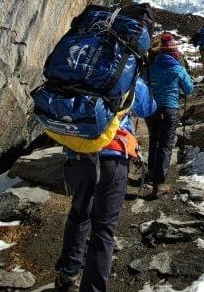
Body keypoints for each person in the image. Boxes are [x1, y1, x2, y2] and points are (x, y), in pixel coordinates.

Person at [55, 79, 155, 292]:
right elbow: (147, 107)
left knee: (79, 213)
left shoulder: (80, 68)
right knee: (103, 229)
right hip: (113, 155)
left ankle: (68, 274)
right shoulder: (126, 72)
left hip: (78, 154)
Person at [147, 35, 193, 198]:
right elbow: (189, 89)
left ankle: (151, 172)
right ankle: (158, 184)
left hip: (152, 109)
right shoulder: (178, 69)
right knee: (166, 145)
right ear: (174, 53)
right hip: (170, 109)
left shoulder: (151, 67)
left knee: (153, 139)